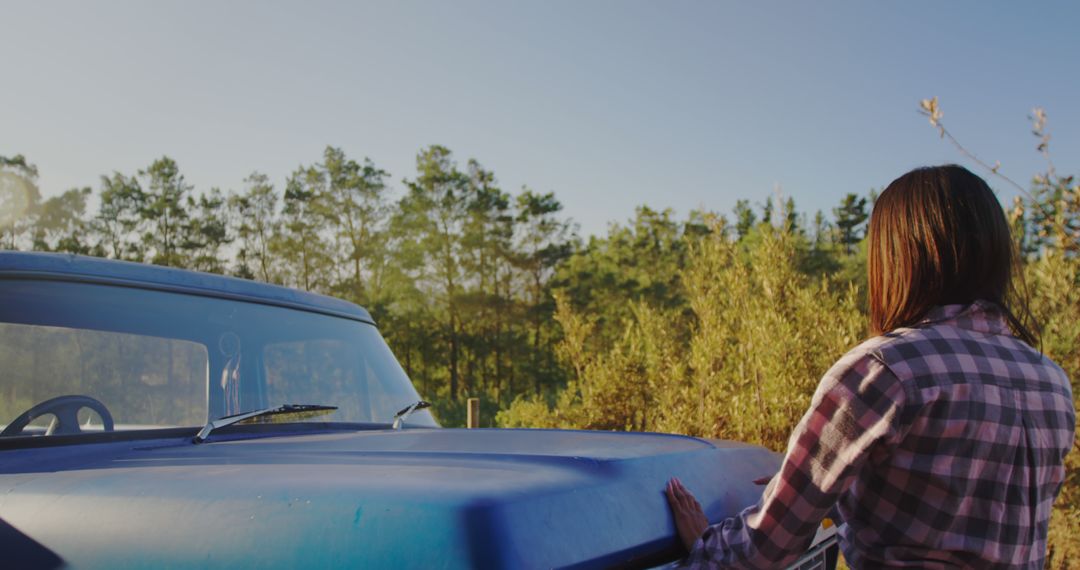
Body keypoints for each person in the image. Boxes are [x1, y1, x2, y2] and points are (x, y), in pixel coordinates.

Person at [665, 165, 1076, 568]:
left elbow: (767, 549)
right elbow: (953, 515)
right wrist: (838, 487)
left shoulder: (883, 370)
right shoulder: (1052, 382)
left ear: (899, 258)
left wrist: (708, 546)